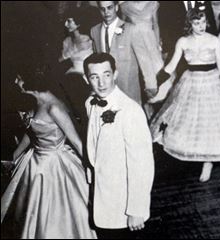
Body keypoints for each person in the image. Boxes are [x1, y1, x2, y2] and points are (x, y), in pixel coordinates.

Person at [150, 9, 220, 183]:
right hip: (190, 82)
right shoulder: (183, 41)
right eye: (197, 23)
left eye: (203, 22)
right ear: (189, 24)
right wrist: (155, 84)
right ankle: (195, 154)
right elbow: (171, 66)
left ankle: (208, 161)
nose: (201, 26)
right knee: (190, 121)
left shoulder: (214, 41)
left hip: (211, 82)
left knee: (211, 121)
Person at [1, 69, 97, 239]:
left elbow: (76, 142)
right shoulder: (36, 101)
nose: (16, 83)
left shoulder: (54, 107)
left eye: (19, 79)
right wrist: (15, 156)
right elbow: (32, 132)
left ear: (29, 80)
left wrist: (94, 169)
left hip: (55, 166)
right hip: (34, 162)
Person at [83, 53, 155, 239]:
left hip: (124, 206)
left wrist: (136, 209)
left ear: (115, 74)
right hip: (102, 198)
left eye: (106, 75)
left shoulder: (131, 111)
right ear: (86, 79)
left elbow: (142, 164)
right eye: (94, 77)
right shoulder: (90, 104)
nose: (101, 83)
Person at [90, 1, 157, 106]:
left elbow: (144, 60)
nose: (106, 12)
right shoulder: (95, 31)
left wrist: (151, 84)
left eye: (109, 8)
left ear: (116, 7)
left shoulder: (131, 29)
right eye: (102, 9)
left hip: (128, 88)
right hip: (105, 89)